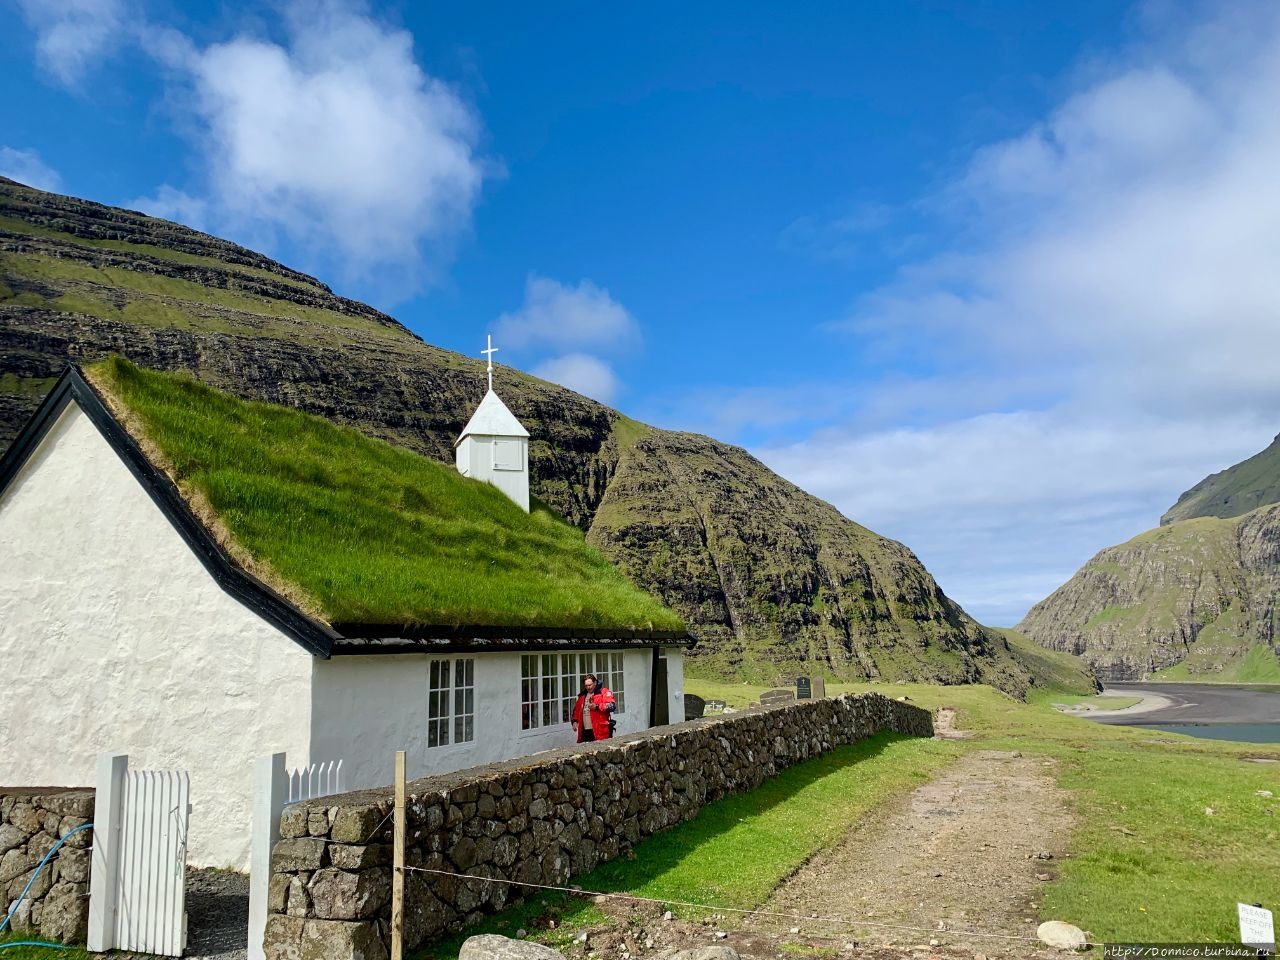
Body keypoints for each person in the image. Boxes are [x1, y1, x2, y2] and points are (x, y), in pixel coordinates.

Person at [571, 673, 616, 742]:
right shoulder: (582, 697)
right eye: (586, 686)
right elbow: (576, 711)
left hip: (600, 732)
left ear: (595, 683)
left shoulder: (603, 692)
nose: (588, 687)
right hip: (584, 732)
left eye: (590, 685)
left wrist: (597, 707)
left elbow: (612, 706)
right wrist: (574, 721)